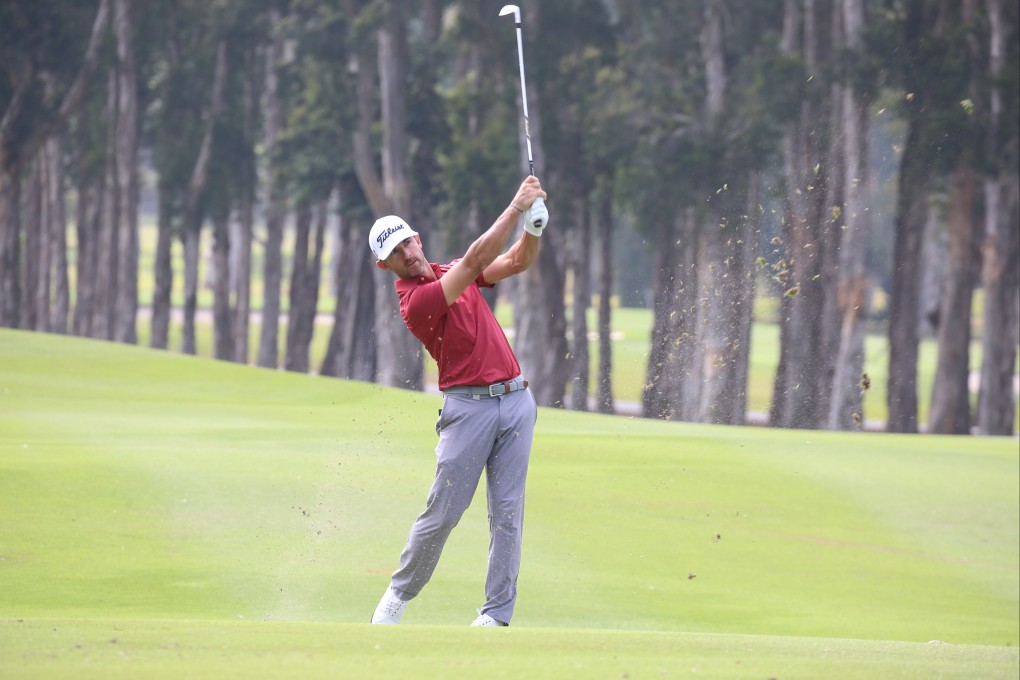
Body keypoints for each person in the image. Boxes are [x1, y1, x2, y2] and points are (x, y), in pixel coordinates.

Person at [369, 175, 549, 627]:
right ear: (384, 266)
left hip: (516, 401)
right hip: (468, 410)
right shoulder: (417, 302)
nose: (407, 253)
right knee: (444, 512)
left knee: (507, 514)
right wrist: (516, 206)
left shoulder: (452, 272)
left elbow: (515, 261)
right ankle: (398, 596)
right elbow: (475, 261)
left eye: (407, 242)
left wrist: (533, 228)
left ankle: (496, 615)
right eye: (396, 253)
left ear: (417, 237)